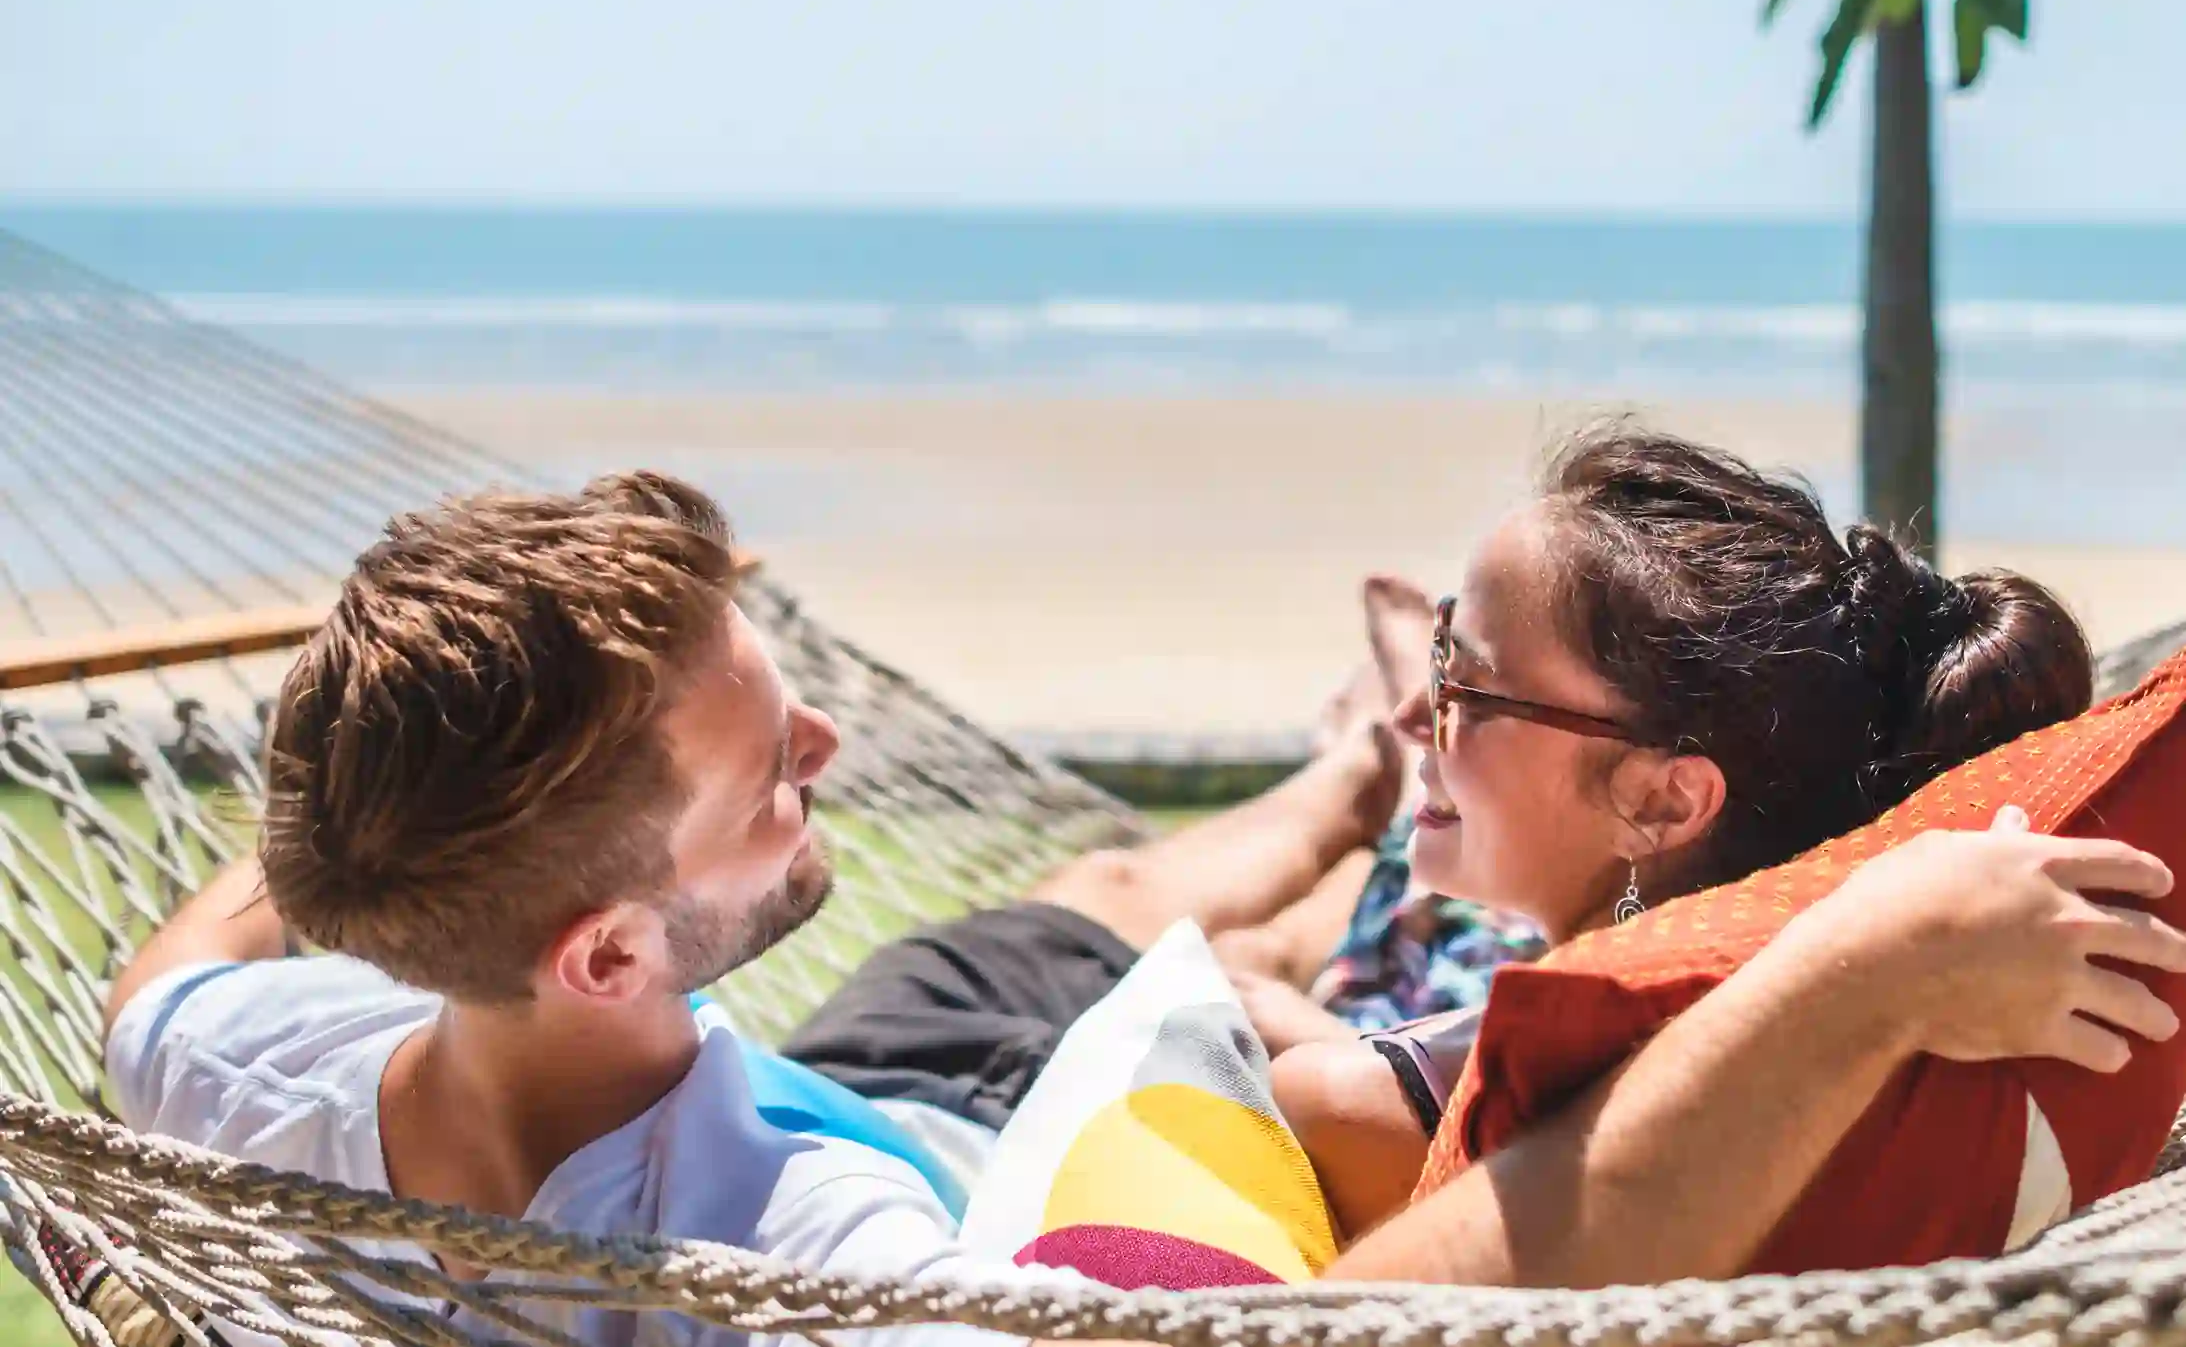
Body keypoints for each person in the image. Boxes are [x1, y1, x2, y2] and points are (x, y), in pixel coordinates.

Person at [100, 472, 2186, 1345]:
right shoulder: (829, 1243)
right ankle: (1356, 788)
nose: (832, 734)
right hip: (945, 1102)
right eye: (773, 765)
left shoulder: (233, 1076)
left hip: (882, 1056)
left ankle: (1348, 778)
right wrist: (1848, 970)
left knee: (1113, 890)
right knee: (1162, 928)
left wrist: (385, 813)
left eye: (1470, 693)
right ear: (607, 952)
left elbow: (164, 981)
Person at [1265, 428, 2117, 1239]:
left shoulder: (1353, 1108)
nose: (1423, 712)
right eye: (1440, 650)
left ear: (1664, 803)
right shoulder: (1844, 1047)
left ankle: (1347, 762)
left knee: (1259, 960)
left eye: (1469, 687)